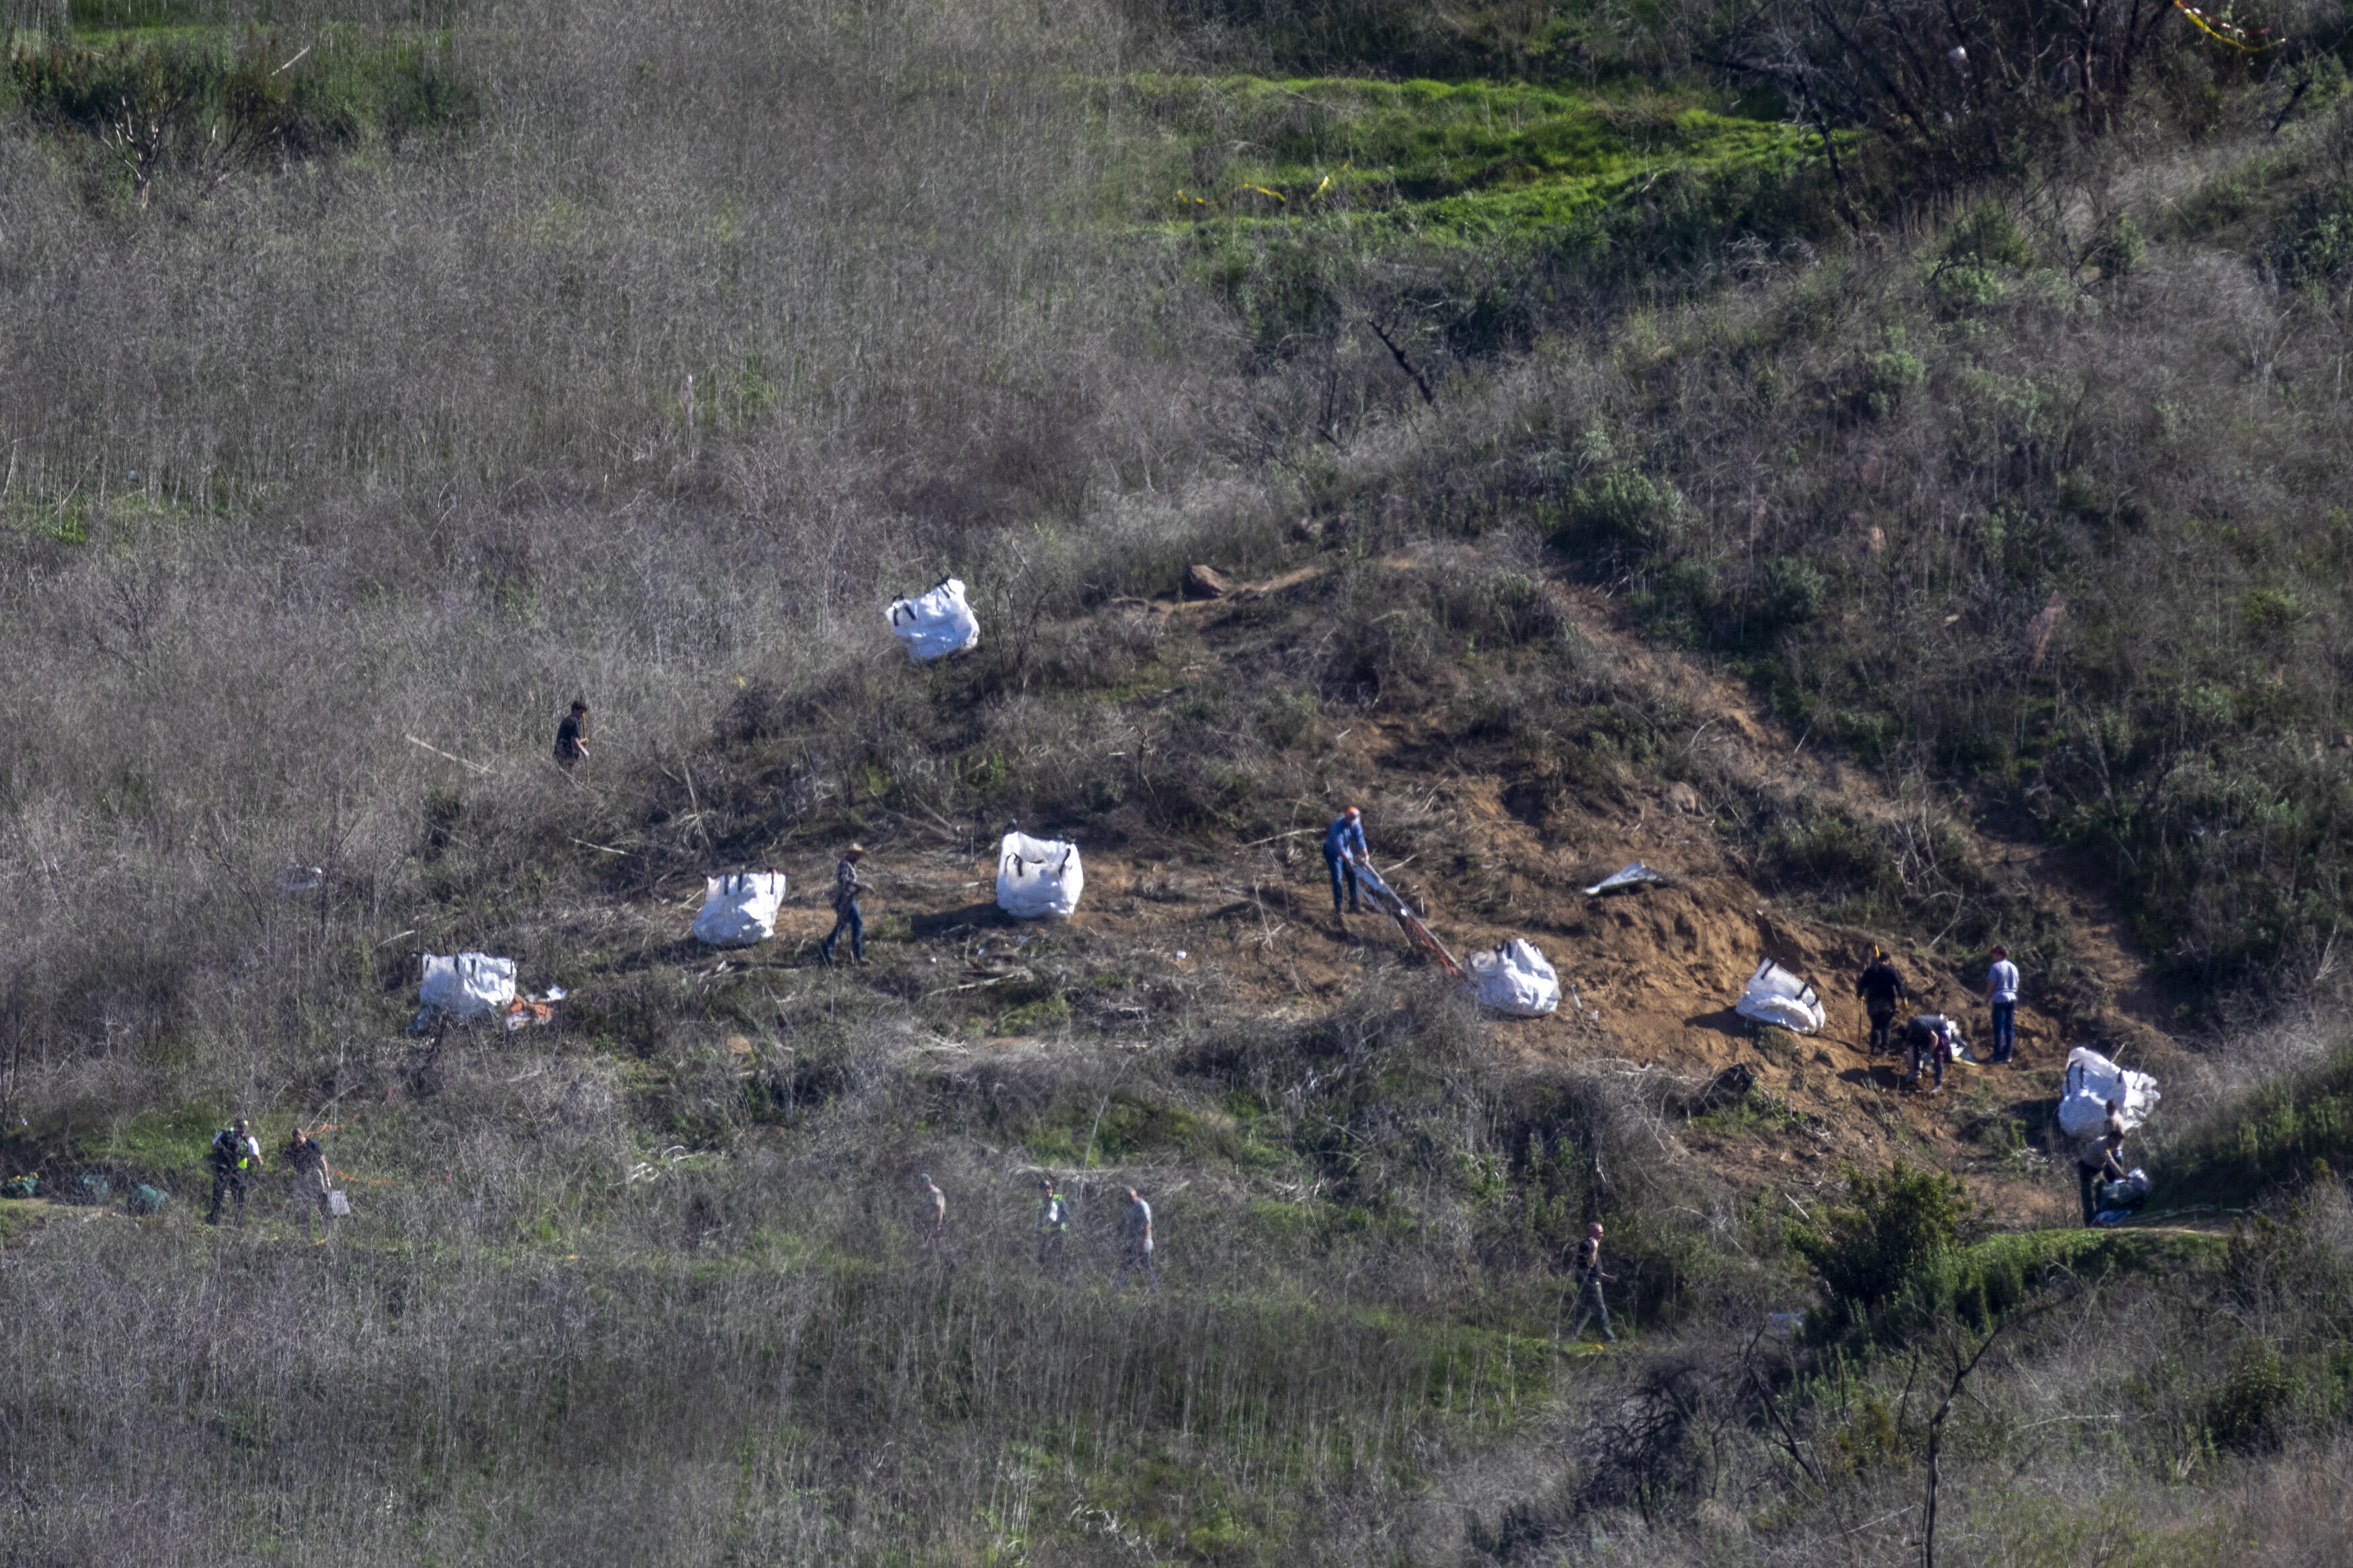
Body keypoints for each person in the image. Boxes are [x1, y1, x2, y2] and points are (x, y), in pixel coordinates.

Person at [1564, 1221, 1618, 1345]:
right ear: (1592, 1231)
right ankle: (1610, 1339)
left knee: (1585, 1311)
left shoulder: (1593, 1244)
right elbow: (1590, 1264)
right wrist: (1594, 1249)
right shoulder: (1587, 1245)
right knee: (1601, 1309)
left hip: (1593, 1280)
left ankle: (1570, 1336)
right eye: (1600, 1232)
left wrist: (1607, 1277)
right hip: (1591, 1283)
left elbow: (1595, 1270)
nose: (1602, 1235)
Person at [206, 1118, 264, 1228]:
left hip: (239, 1171)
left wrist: (261, 1171)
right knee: (217, 1195)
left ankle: (239, 1224)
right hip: (223, 1169)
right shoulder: (224, 1135)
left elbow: (257, 1157)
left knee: (239, 1198)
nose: (242, 1130)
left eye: (244, 1128)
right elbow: (214, 1146)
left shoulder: (249, 1140)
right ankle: (213, 1221)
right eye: (240, 1127)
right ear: (235, 1126)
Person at [820, 843, 869, 967]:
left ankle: (826, 950)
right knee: (857, 924)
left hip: (849, 899)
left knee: (841, 927)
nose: (858, 857)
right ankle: (858, 957)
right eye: (856, 855)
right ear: (851, 854)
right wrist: (860, 886)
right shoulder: (845, 864)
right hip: (846, 901)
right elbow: (843, 880)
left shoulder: (851, 865)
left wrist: (859, 889)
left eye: (859, 855)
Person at [1854, 947, 1909, 1057]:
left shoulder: (1870, 970)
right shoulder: (1891, 971)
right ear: (1887, 960)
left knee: (1875, 1026)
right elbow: (1899, 985)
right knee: (1886, 1026)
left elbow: (1861, 984)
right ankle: (1884, 1050)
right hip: (1887, 1004)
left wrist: (1860, 995)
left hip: (1873, 1004)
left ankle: (1873, 1049)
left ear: (1879, 959)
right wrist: (1904, 998)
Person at [284, 1126, 333, 1242]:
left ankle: (326, 1234)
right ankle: (305, 1237)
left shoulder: (312, 1145)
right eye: (295, 1141)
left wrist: (327, 1180)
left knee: (322, 1204)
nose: (298, 1143)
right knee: (304, 1208)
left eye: (299, 1140)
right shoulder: (291, 1148)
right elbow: (284, 1164)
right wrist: (284, 1178)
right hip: (301, 1178)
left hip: (315, 1175)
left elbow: (323, 1162)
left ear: (303, 1137)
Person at [1323, 807, 1367, 923]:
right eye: (1351, 822)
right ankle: (1339, 909)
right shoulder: (1337, 826)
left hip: (1346, 852)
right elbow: (1339, 847)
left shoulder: (1355, 824)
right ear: (1346, 818)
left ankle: (1355, 904)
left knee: (1353, 876)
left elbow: (1360, 838)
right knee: (1337, 879)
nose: (1352, 825)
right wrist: (1348, 861)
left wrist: (1365, 853)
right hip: (1333, 853)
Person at [2079, 1126, 2126, 1228]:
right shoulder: (2102, 1144)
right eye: (2116, 1139)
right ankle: (2089, 1222)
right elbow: (2110, 1161)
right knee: (2088, 1196)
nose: (2118, 1142)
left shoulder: (2110, 1145)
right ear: (2110, 1137)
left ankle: (2099, 1220)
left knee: (2102, 1192)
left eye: (2119, 1140)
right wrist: (2122, 1175)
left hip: (2098, 1170)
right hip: (2086, 1170)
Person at [1901, 1014, 1961, 1094]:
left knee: (1938, 1054)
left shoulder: (1919, 1025)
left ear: (1908, 1033)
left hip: (1941, 1030)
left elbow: (1935, 1038)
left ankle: (1938, 1085)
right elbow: (1911, 1045)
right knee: (1915, 1045)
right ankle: (1915, 1072)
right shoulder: (1911, 1029)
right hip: (1931, 1032)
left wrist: (1931, 1051)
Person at [1116, 1186, 1158, 1292]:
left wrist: (1144, 1241)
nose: (1126, 1200)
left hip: (1142, 1243)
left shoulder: (1142, 1206)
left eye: (1127, 1197)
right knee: (1123, 1265)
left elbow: (1148, 1223)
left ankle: (1154, 1290)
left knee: (1146, 1266)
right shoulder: (1130, 1207)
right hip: (1131, 1243)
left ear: (1132, 1195)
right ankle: (1118, 1290)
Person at [1984, 946, 2021, 1064]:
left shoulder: (1995, 967)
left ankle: (1997, 1056)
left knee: (1999, 1028)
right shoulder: (2014, 967)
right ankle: (2008, 1055)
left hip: (2000, 1000)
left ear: (2000, 955)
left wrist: (1986, 997)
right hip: (2012, 1000)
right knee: (2009, 1028)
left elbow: (1991, 984)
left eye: (1994, 954)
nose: (1993, 957)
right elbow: (2017, 984)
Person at [1036, 1175, 1070, 1280]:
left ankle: (1059, 1277)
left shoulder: (1059, 1199)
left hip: (1058, 1233)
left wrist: (1060, 1226)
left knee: (1057, 1256)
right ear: (1041, 1191)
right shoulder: (1040, 1203)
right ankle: (1043, 1276)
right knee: (1041, 1256)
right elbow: (1038, 1218)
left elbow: (1066, 1215)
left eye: (1049, 1188)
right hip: (1045, 1234)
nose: (1047, 1191)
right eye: (1045, 1189)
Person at [553, 700, 590, 770]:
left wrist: (582, 741)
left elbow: (569, 738)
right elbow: (574, 741)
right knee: (568, 778)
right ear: (575, 710)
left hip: (560, 754)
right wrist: (584, 751)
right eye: (581, 712)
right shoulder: (573, 721)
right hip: (567, 755)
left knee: (562, 777)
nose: (582, 715)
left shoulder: (566, 720)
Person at [918, 1171, 946, 1241]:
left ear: (926, 1183)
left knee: (936, 1245)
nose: (921, 1185)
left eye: (922, 1183)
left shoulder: (935, 1192)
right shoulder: (928, 1192)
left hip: (936, 1225)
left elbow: (940, 1209)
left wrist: (938, 1225)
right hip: (929, 1225)